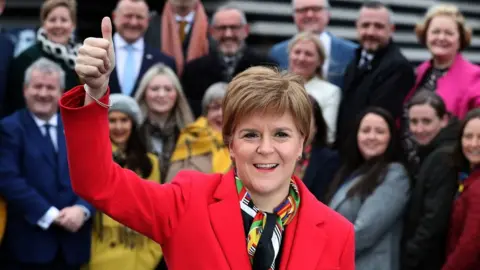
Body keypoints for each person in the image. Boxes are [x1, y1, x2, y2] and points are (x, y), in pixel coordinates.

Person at [59, 17, 355, 270]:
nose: (266, 148)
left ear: (302, 142)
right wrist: (95, 91)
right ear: (230, 144)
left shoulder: (338, 233)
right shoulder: (186, 202)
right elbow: (97, 182)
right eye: (250, 134)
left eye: (281, 134)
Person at [0, 58, 94, 269]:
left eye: (50, 87)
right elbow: (8, 179)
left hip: (73, 246)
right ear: (25, 89)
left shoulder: (76, 129)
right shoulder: (9, 128)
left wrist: (83, 209)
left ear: (61, 92)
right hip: (27, 248)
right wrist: (51, 214)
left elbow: (94, 175)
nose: (43, 94)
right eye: (37, 86)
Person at [86, 94, 163, 270]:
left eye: (124, 120)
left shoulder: (150, 163)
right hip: (99, 255)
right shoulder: (93, 159)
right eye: (111, 120)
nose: (118, 127)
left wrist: (149, 256)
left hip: (138, 258)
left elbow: (156, 213)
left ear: (133, 124)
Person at [327, 107, 410, 270]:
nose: (371, 137)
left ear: (391, 138)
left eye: (379, 131)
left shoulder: (395, 175)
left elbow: (364, 232)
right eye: (365, 130)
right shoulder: (350, 173)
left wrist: (323, 249)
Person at [335, 1, 415, 157]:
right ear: (357, 26)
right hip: (348, 154)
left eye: (378, 26)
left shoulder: (398, 67)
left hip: (372, 158)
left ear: (391, 30)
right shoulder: (355, 60)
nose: (370, 32)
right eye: (365, 25)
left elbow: (379, 118)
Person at [401, 91, 458, 270]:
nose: (419, 129)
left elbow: (434, 217)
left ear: (444, 120)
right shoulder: (432, 151)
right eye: (414, 122)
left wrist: (411, 253)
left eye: (426, 121)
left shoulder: (443, 157)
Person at [4, 0, 82, 116]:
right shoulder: (26, 58)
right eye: (52, 20)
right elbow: (14, 104)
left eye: (64, 20)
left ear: (73, 25)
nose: (58, 25)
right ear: (43, 23)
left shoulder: (82, 59)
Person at [269, 0, 356, 89]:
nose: (309, 15)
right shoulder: (277, 52)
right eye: (303, 10)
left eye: (316, 9)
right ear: (293, 15)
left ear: (328, 13)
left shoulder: (352, 52)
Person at [108, 0, 176, 96]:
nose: (133, 22)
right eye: (128, 16)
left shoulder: (164, 61)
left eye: (139, 17)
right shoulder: (97, 53)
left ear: (148, 21)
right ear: (115, 17)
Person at [441, 108, 480, 270]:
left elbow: (470, 245)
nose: (473, 144)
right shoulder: (470, 178)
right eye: (468, 136)